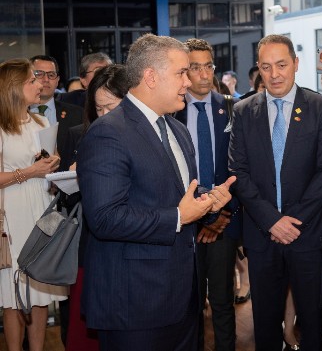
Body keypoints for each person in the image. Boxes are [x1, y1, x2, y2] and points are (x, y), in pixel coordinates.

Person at [76, 34, 235, 351]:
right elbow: (104, 218)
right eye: (181, 72)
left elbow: (179, 193)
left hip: (183, 299)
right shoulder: (108, 132)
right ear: (150, 76)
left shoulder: (177, 129)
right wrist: (178, 217)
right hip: (135, 304)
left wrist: (209, 202)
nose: (188, 82)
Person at [229, 34, 322, 350]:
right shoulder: (243, 111)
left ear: (296, 64)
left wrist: (292, 221)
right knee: (265, 325)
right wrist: (272, 221)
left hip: (307, 234)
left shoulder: (320, 108)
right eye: (266, 67)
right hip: (261, 235)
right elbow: (238, 172)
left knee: (312, 324)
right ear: (258, 69)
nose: (274, 74)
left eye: (281, 65)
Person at [174, 38, 240, 351]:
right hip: (186, 221)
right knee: (192, 302)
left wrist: (222, 215)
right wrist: (199, 217)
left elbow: (240, 167)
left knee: (224, 300)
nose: (203, 74)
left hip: (224, 219)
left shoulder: (231, 108)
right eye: (195, 67)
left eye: (208, 66)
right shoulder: (172, 112)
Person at [60, 64, 129, 351]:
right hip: (92, 246)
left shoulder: (146, 136)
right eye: (99, 108)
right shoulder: (80, 135)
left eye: (111, 107)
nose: (104, 115)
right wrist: (76, 176)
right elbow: (67, 200)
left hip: (132, 249)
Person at [0, 59, 67, 351]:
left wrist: (54, 167)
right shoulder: (1, 127)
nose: (40, 84)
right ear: (14, 88)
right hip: (11, 216)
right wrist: (30, 171)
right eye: (32, 80)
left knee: (40, 292)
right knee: (12, 295)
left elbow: (49, 166)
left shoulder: (41, 122)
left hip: (41, 209)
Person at [29, 55, 83, 172]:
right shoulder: (15, 115)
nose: (46, 79)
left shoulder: (78, 114)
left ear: (57, 80)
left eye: (51, 75)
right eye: (39, 74)